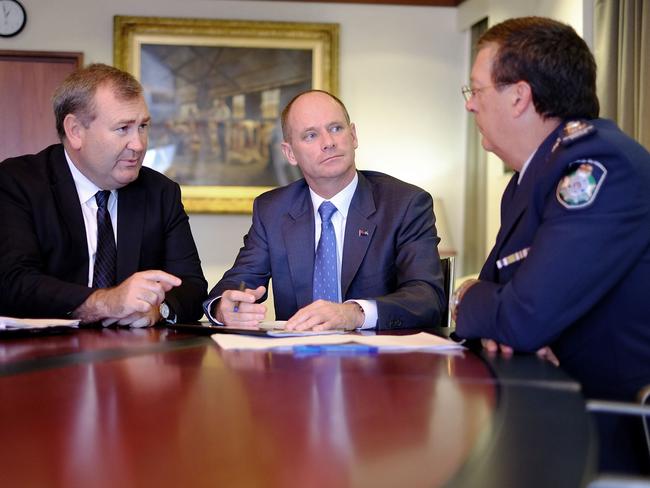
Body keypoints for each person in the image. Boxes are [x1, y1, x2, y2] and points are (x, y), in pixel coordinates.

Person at [453, 17, 650, 474]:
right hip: (551, 408)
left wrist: (469, 297)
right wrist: (502, 312)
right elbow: (504, 305)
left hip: (609, 429)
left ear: (518, 96)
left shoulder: (597, 166)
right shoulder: (533, 177)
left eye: (476, 91)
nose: (471, 107)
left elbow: (521, 317)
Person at [204, 90, 445, 331]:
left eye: (336, 129)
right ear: (290, 153)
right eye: (311, 135)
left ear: (353, 136)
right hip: (297, 361)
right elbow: (238, 283)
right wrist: (224, 308)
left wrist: (355, 313)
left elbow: (426, 297)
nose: (328, 142)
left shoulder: (405, 204)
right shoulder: (273, 210)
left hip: (379, 361)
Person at [0, 63, 207, 327]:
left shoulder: (160, 192)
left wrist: (158, 310)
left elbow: (191, 285)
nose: (139, 144)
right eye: (123, 128)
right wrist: (104, 303)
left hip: (134, 358)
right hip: (42, 356)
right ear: (75, 131)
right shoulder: (18, 182)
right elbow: (12, 282)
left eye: (143, 126)